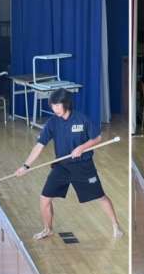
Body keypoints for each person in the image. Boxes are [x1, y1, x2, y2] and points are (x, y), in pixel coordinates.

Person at [15, 88, 123, 240]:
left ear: (66, 104)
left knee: (100, 196)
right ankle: (47, 229)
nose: (55, 109)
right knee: (44, 199)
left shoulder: (81, 119)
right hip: (62, 166)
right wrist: (25, 166)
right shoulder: (52, 122)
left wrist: (82, 147)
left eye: (58, 105)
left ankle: (116, 226)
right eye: (53, 106)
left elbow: (97, 138)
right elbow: (40, 145)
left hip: (83, 166)